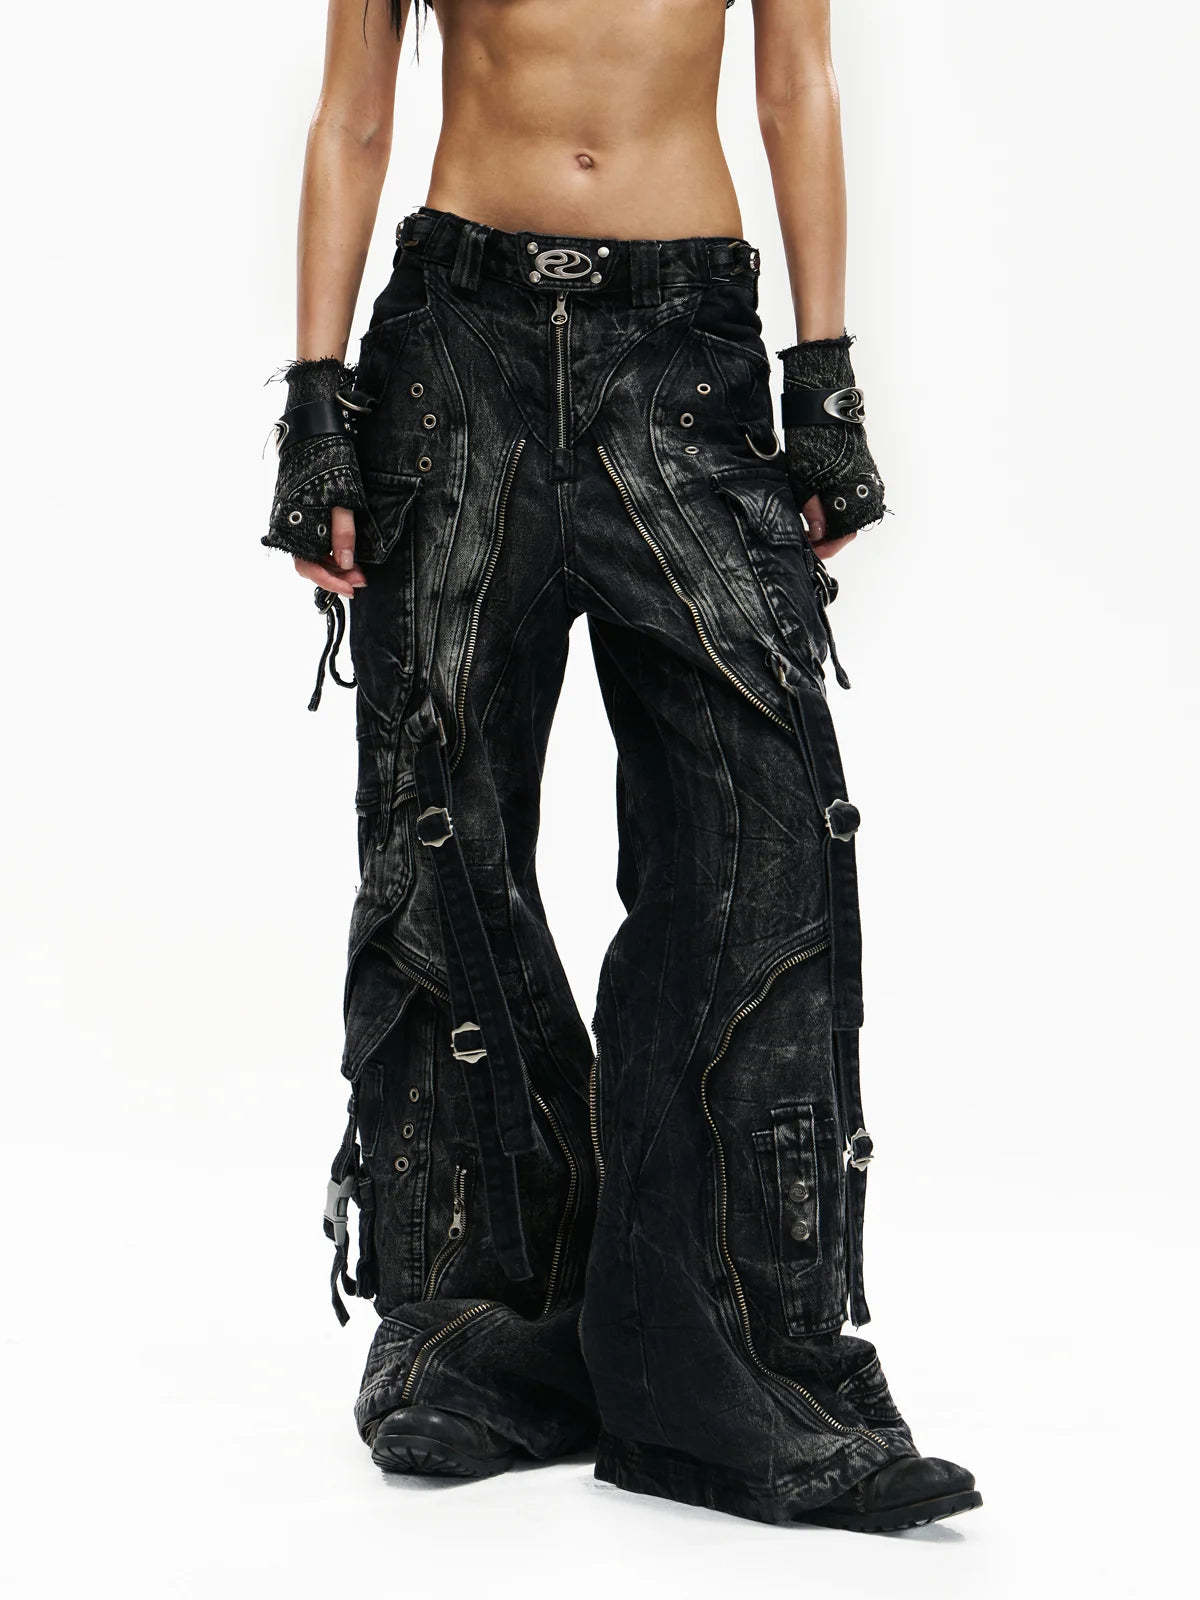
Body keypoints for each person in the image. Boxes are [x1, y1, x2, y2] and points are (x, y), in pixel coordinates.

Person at [264, 0, 980, 1532]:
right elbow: (353, 112)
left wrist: (825, 370)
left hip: (686, 350)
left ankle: (722, 1354)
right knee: (440, 830)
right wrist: (315, 401)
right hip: (457, 350)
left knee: (758, 829)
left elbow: (798, 82)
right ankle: (485, 1331)